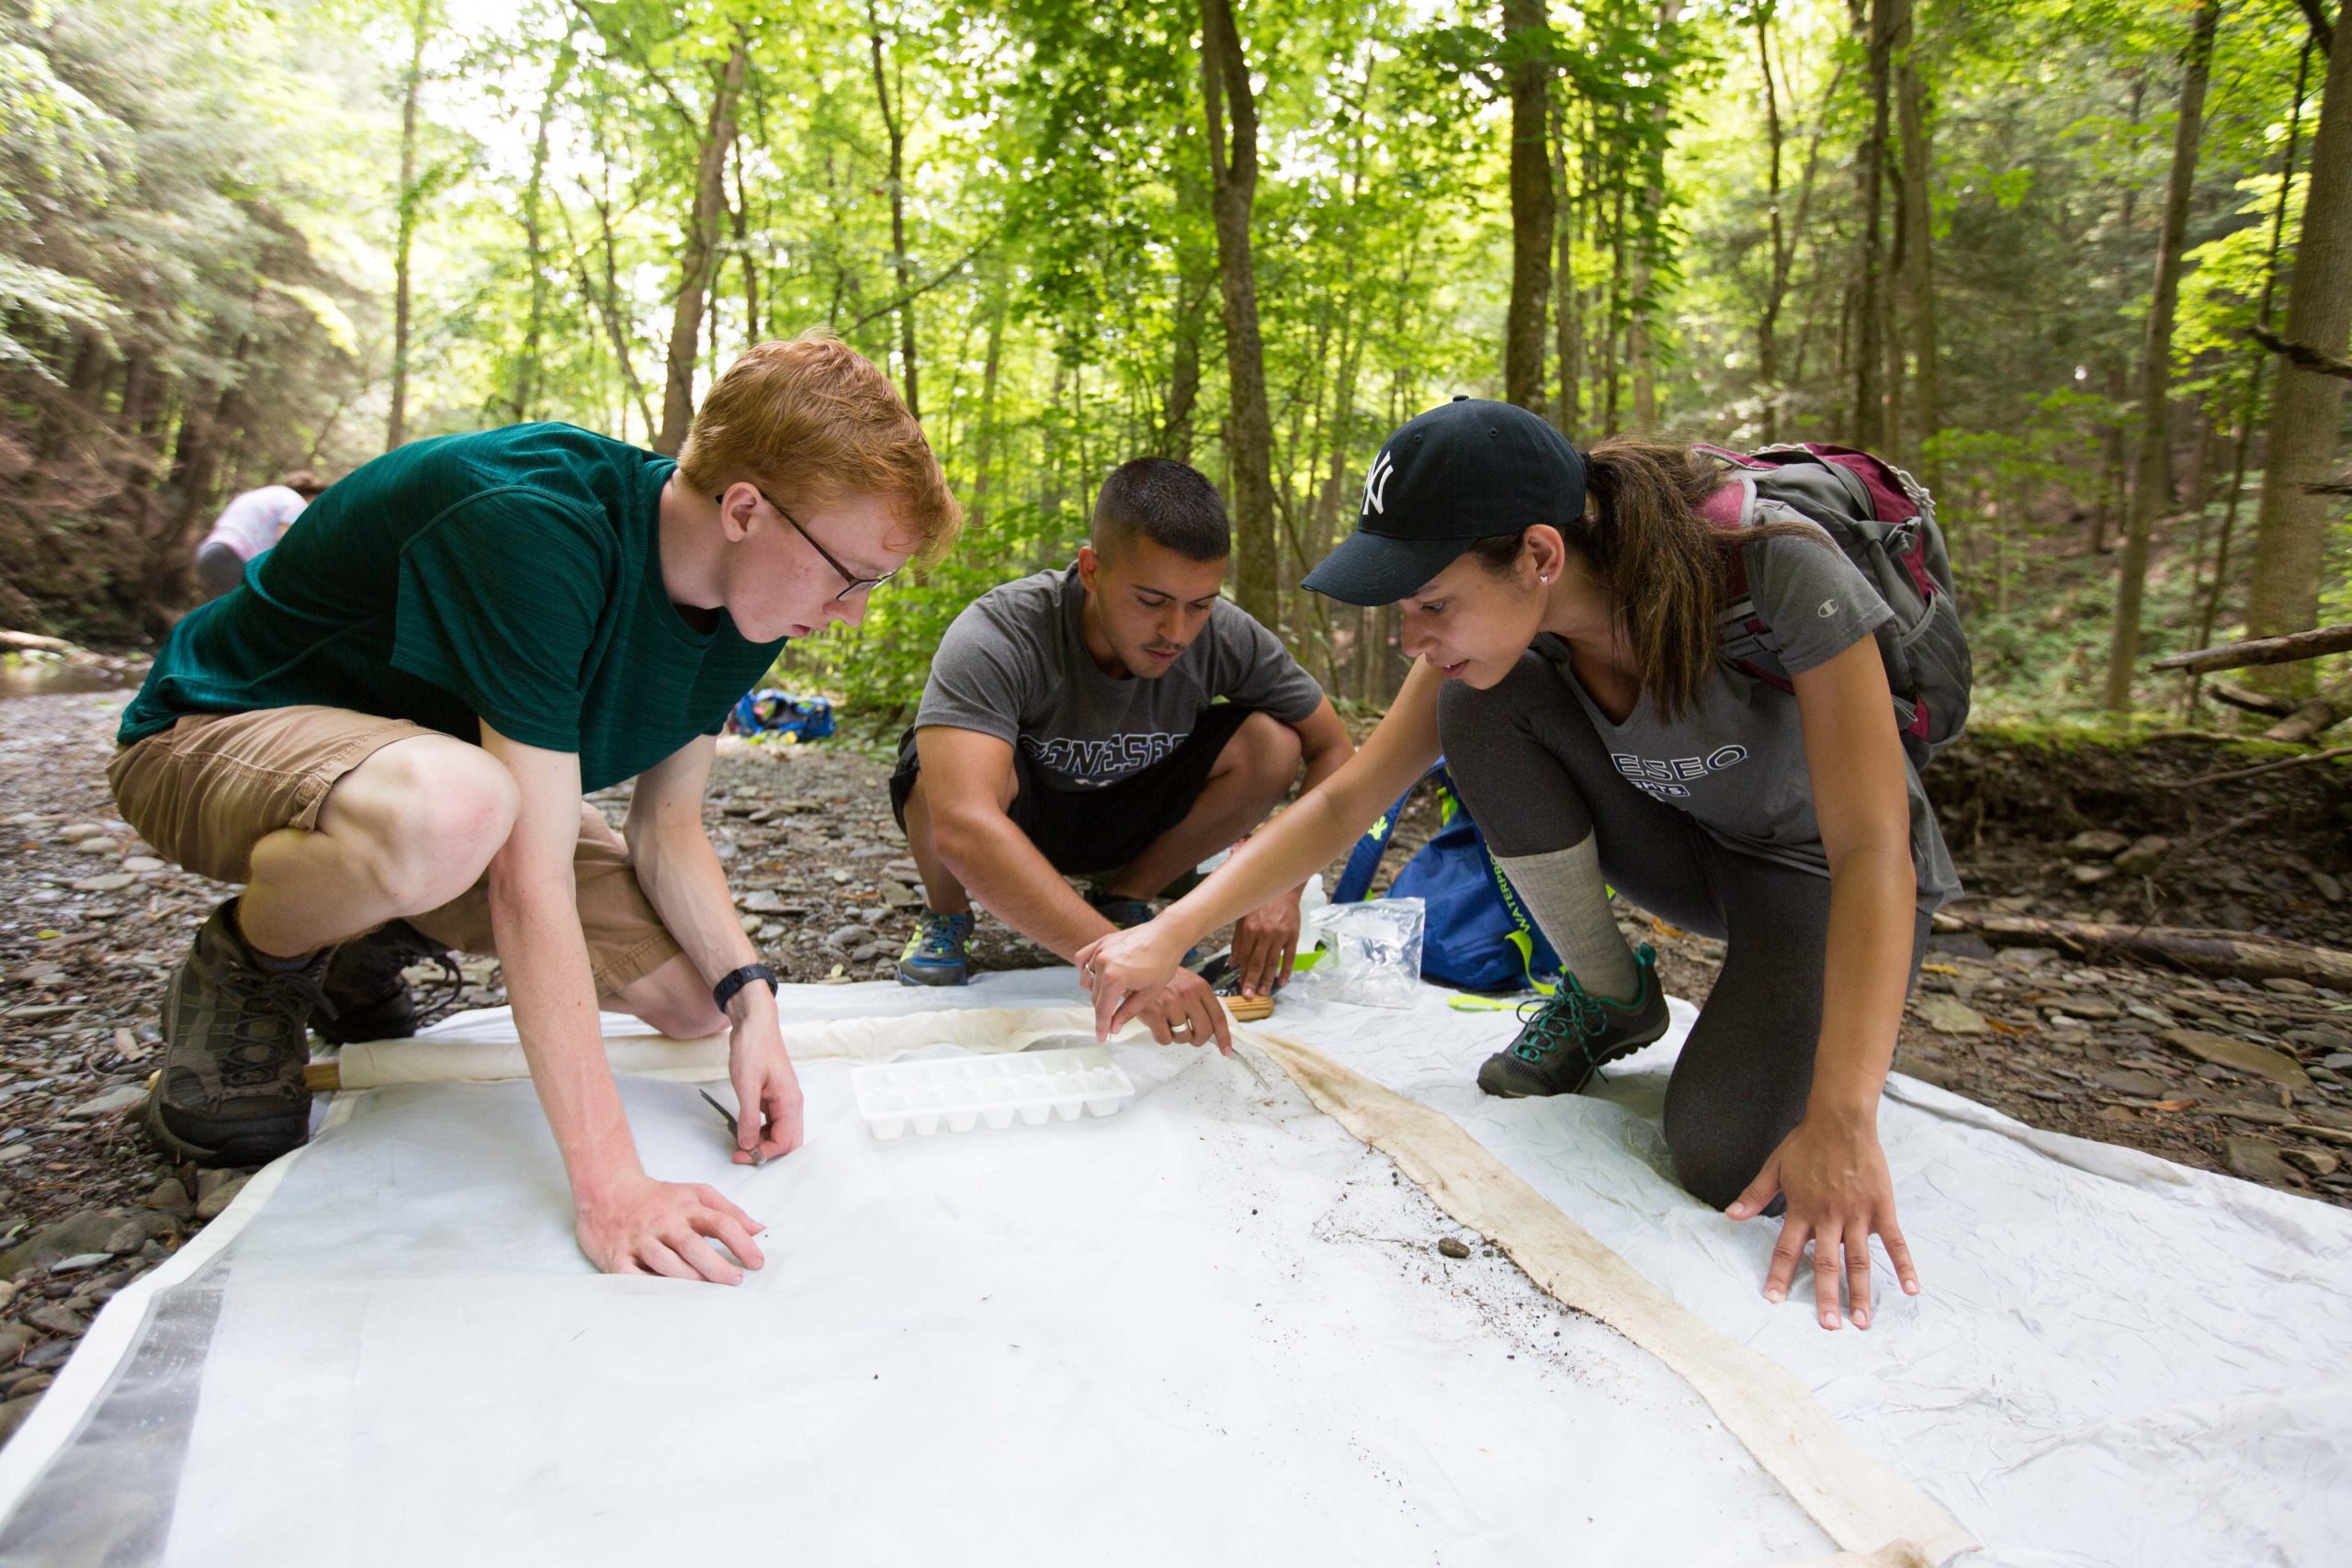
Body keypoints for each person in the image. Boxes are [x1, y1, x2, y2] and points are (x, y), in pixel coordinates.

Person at [1078, 399, 1957, 1333]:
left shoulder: (1776, 566)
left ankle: (1786, 1016)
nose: (1412, 639)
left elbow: (1873, 849)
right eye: (1403, 608)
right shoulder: (1508, 630)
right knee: (1471, 705)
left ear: (1540, 555)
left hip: (1820, 879)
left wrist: (1843, 1116)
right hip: (1691, 847)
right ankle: (1612, 999)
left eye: (1432, 604)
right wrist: (1169, 932)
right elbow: (1347, 798)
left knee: (1726, 1159)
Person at [108, 332, 959, 1285]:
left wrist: (753, 1002)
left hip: (420, 786)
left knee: (694, 1000)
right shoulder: (535, 523)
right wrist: (612, 1186)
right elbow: (529, 878)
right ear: (745, 509)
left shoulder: (749, 605)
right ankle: (253, 963)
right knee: (459, 808)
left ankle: (362, 932)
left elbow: (666, 827)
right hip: (210, 733)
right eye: (850, 575)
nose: (852, 611)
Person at [890, 457, 1353, 1043]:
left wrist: (1285, 883)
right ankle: (948, 915)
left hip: (1129, 821)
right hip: (1016, 822)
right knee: (938, 773)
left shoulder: (1228, 636)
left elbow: (1336, 750)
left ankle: (1126, 897)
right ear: (1091, 570)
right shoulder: (1001, 632)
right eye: (1151, 600)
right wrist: (1128, 961)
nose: (1177, 632)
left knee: (1272, 743)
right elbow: (964, 824)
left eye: (1200, 604)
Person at [193, 471, 329, 599]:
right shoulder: (296, 502)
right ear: (313, 496)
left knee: (225, 610)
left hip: (209, 551)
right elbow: (286, 546)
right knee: (252, 610)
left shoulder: (265, 494)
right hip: (237, 556)